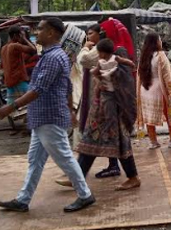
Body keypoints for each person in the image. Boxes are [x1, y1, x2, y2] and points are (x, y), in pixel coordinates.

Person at [0, 18, 95, 213]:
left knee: (64, 157)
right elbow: (66, 87)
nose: (35, 33)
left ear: (51, 33)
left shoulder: (53, 58)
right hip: (43, 117)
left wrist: (10, 107)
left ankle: (85, 195)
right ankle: (23, 199)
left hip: (48, 117)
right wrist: (71, 111)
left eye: (40, 29)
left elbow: (38, 89)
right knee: (35, 160)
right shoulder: (53, 56)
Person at [59, 39, 141, 191]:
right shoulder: (108, 61)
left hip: (114, 113)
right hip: (100, 111)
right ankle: (77, 177)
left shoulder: (117, 60)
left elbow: (125, 82)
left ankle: (133, 177)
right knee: (90, 142)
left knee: (120, 144)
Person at [77, 24, 121, 178]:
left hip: (101, 104)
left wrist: (85, 48)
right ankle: (114, 166)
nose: (88, 37)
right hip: (102, 103)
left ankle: (78, 173)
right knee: (111, 136)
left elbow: (84, 60)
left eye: (90, 33)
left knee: (93, 136)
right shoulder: (111, 57)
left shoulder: (98, 52)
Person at [137, 32, 171, 149]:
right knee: (170, 114)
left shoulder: (144, 56)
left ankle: (153, 141)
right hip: (159, 90)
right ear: (156, 42)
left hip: (145, 90)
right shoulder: (161, 56)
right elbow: (167, 77)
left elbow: (139, 76)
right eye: (159, 40)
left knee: (149, 117)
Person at [0, 26, 37, 105]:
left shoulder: (4, 48)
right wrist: (25, 39)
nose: (21, 37)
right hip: (19, 81)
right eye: (20, 35)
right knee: (35, 101)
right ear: (15, 36)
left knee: (11, 108)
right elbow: (33, 50)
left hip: (9, 82)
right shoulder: (15, 46)